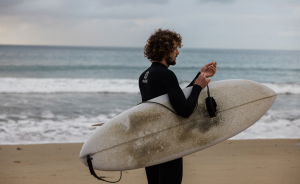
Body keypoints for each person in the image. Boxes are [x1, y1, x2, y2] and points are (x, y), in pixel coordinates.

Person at [139, 28, 217, 184]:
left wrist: (199, 76)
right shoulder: (166, 75)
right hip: (168, 144)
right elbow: (185, 110)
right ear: (166, 50)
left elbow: (175, 99)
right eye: (175, 48)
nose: (178, 52)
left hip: (151, 143)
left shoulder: (145, 75)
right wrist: (197, 87)